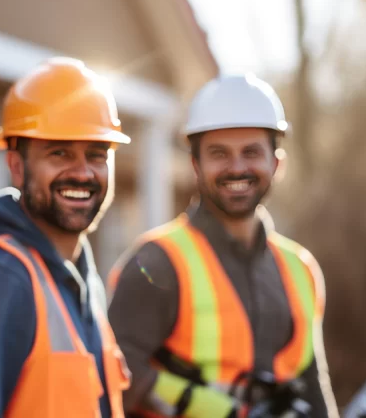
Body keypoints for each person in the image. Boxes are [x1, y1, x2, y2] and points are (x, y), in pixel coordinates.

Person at [107, 74, 339, 417]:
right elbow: (112, 377)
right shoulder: (157, 262)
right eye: (219, 153)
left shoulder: (301, 269)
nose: (237, 167)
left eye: (251, 152)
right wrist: (206, 408)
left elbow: (314, 388)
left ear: (277, 163)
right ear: (195, 164)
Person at [0, 57, 131, 418]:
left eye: (96, 155)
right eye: (60, 154)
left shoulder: (84, 279)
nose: (82, 173)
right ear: (17, 166)